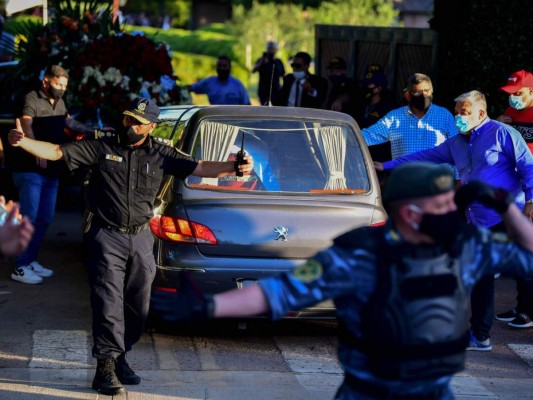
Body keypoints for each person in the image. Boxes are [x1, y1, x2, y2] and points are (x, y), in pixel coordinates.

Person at [152, 162, 533, 400]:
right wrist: (210, 305)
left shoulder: (464, 248)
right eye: (442, 205)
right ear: (410, 212)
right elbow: (281, 293)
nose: (452, 212)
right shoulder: (358, 255)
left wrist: (504, 206)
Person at [8, 97, 254, 396]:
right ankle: (106, 366)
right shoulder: (103, 145)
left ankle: (121, 354)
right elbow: (58, 151)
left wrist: (234, 167)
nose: (131, 126)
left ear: (150, 126)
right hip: (105, 235)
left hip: (140, 237)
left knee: (139, 306)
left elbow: (200, 166)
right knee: (108, 301)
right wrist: (23, 143)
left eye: (138, 122)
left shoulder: (162, 153)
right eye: (128, 119)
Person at [374, 90, 533, 350]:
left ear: (480, 113)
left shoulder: (503, 134)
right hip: (480, 219)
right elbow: (425, 156)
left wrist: (531, 201)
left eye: (464, 112)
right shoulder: (456, 142)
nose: (458, 116)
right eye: (457, 111)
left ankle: (499, 325)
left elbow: (528, 166)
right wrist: (387, 166)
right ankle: (480, 335)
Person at [8, 65, 93, 285]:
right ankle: (19, 265)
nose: (62, 89)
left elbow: (69, 122)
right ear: (46, 81)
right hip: (30, 169)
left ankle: (30, 259)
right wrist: (36, 149)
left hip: (52, 169)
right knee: (30, 216)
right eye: (58, 84)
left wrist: (94, 132)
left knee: (45, 218)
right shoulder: (31, 99)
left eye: (65, 86)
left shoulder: (60, 102)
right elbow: (26, 124)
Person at [495, 69, 533, 329]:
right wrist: (501, 126)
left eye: (518, 94)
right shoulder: (511, 115)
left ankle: (528, 312)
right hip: (515, 193)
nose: (513, 99)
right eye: (510, 94)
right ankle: (522, 307)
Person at [361, 73, 458, 159]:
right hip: (405, 177)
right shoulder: (395, 118)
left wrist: (457, 177)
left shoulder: (444, 116)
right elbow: (370, 135)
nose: (423, 95)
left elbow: (457, 148)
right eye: (418, 92)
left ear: (432, 92)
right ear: (408, 95)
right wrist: (347, 135)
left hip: (435, 178)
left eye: (426, 91)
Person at [356, 63, 398, 167]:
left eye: (369, 85)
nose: (365, 87)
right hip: (360, 155)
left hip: (379, 160)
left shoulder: (388, 109)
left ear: (378, 89)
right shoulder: (361, 104)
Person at [252, 41, 285, 106]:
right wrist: (262, 62)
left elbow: (283, 75)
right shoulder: (262, 60)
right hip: (263, 91)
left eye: (272, 48)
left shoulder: (278, 62)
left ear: (276, 49)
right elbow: (253, 70)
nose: (270, 50)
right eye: (269, 48)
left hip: (276, 91)